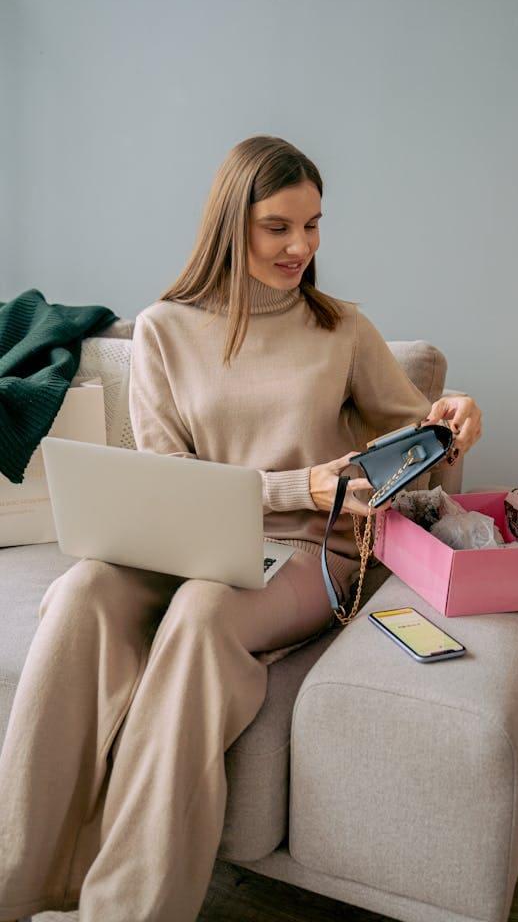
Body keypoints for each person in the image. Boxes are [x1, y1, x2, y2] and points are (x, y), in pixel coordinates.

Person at [0, 135, 482, 922]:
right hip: (192, 540)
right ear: (232, 224)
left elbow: (423, 456)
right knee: (81, 589)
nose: (302, 246)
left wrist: (457, 418)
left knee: (201, 615)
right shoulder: (164, 329)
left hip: (311, 551)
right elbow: (169, 478)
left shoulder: (341, 329)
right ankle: (16, 879)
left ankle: (129, 910)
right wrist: (300, 479)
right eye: (279, 227)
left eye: (314, 225)